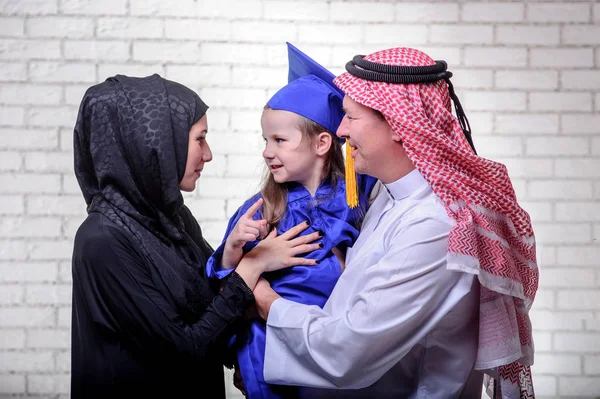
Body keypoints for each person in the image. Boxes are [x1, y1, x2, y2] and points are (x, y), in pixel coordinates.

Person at [252, 47, 539, 399]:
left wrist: (265, 300)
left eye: (351, 117)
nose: (341, 130)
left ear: (399, 124)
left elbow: (350, 350)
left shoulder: (437, 226)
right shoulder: (390, 196)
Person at [70, 74, 321, 398]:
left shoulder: (170, 218)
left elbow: (210, 306)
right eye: (199, 139)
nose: (208, 154)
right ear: (155, 143)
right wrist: (252, 266)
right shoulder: (103, 241)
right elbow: (187, 347)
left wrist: (232, 255)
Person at [206, 43, 376, 399]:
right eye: (266, 140)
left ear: (322, 144)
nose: (268, 151)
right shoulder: (264, 209)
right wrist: (235, 248)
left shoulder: (355, 196)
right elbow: (222, 285)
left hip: (333, 349)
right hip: (268, 349)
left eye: (280, 140)